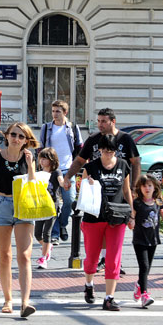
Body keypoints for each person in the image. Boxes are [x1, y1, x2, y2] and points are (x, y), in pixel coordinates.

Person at [65, 107, 139, 270]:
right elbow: (80, 160)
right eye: (98, 121)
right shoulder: (93, 139)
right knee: (101, 225)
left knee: (115, 225)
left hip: (118, 188)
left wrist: (134, 186)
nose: (100, 124)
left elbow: (136, 162)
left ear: (113, 121)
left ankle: (113, 261)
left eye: (104, 121)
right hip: (97, 192)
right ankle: (105, 259)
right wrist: (68, 176)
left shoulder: (125, 139)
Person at [0, 122, 39, 317]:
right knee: (5, 255)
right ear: (7, 136)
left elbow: (33, 185)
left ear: (26, 141)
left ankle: (25, 302)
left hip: (23, 206)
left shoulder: (29, 157)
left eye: (21, 137)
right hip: (0, 204)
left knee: (25, 255)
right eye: (14, 134)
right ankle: (8, 299)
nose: (17, 139)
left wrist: (30, 165)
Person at [80, 133, 134, 311]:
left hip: (117, 216)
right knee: (92, 257)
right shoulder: (91, 167)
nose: (109, 154)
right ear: (100, 150)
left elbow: (126, 190)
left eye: (112, 150)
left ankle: (109, 298)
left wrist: (132, 213)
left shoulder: (123, 165)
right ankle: (89, 284)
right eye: (105, 150)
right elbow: (83, 191)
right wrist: (87, 183)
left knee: (113, 257)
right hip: (94, 217)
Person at [39, 100, 83, 244]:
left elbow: (79, 147)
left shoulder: (72, 128)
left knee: (69, 200)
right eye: (53, 111)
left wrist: (79, 164)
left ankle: (63, 224)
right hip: (51, 171)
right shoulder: (46, 128)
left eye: (58, 111)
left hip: (68, 170)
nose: (54, 114)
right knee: (52, 202)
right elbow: (41, 148)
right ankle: (55, 233)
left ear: (65, 112)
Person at [131, 174, 163, 308]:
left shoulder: (158, 202)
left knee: (147, 268)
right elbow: (131, 218)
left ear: (155, 187)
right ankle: (144, 295)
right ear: (140, 188)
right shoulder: (137, 203)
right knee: (144, 266)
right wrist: (131, 221)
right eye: (144, 186)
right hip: (139, 240)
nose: (147, 188)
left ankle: (139, 285)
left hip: (153, 239)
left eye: (149, 185)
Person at [34, 148, 64, 269]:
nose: (41, 161)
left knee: (47, 232)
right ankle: (48, 246)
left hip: (52, 205)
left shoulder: (56, 172)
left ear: (51, 160)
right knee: (37, 234)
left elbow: (61, 181)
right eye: (40, 158)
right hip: (40, 205)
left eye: (44, 158)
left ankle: (43, 258)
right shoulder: (39, 173)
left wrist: (64, 183)